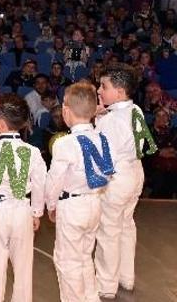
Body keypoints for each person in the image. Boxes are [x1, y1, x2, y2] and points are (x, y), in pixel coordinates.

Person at [46, 82, 114, 302]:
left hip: (72, 205)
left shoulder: (64, 143)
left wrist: (51, 205)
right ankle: (91, 297)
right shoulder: (103, 139)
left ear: (66, 111)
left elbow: (54, 180)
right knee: (85, 257)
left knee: (67, 261)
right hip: (95, 203)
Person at [0, 94, 47, 302]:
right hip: (22, 210)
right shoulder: (32, 151)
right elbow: (40, 183)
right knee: (23, 265)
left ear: (0, 122)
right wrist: (36, 212)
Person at [95, 64, 157, 298]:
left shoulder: (110, 120)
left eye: (104, 86)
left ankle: (106, 285)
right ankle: (126, 277)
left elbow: (103, 155)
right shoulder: (136, 110)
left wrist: (97, 120)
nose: (99, 90)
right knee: (126, 225)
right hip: (136, 173)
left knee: (109, 230)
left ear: (119, 91)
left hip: (117, 177)